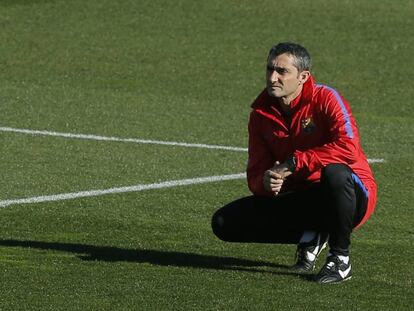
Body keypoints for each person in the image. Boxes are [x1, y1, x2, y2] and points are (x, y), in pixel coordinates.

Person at [211, 42, 377, 284]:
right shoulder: (260, 114)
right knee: (224, 223)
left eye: (282, 71)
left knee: (335, 173)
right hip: (305, 197)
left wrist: (294, 162)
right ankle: (312, 233)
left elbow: (349, 148)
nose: (272, 77)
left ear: (303, 77)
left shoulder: (326, 98)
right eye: (269, 69)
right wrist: (267, 183)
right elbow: (256, 173)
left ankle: (340, 259)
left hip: (351, 194)